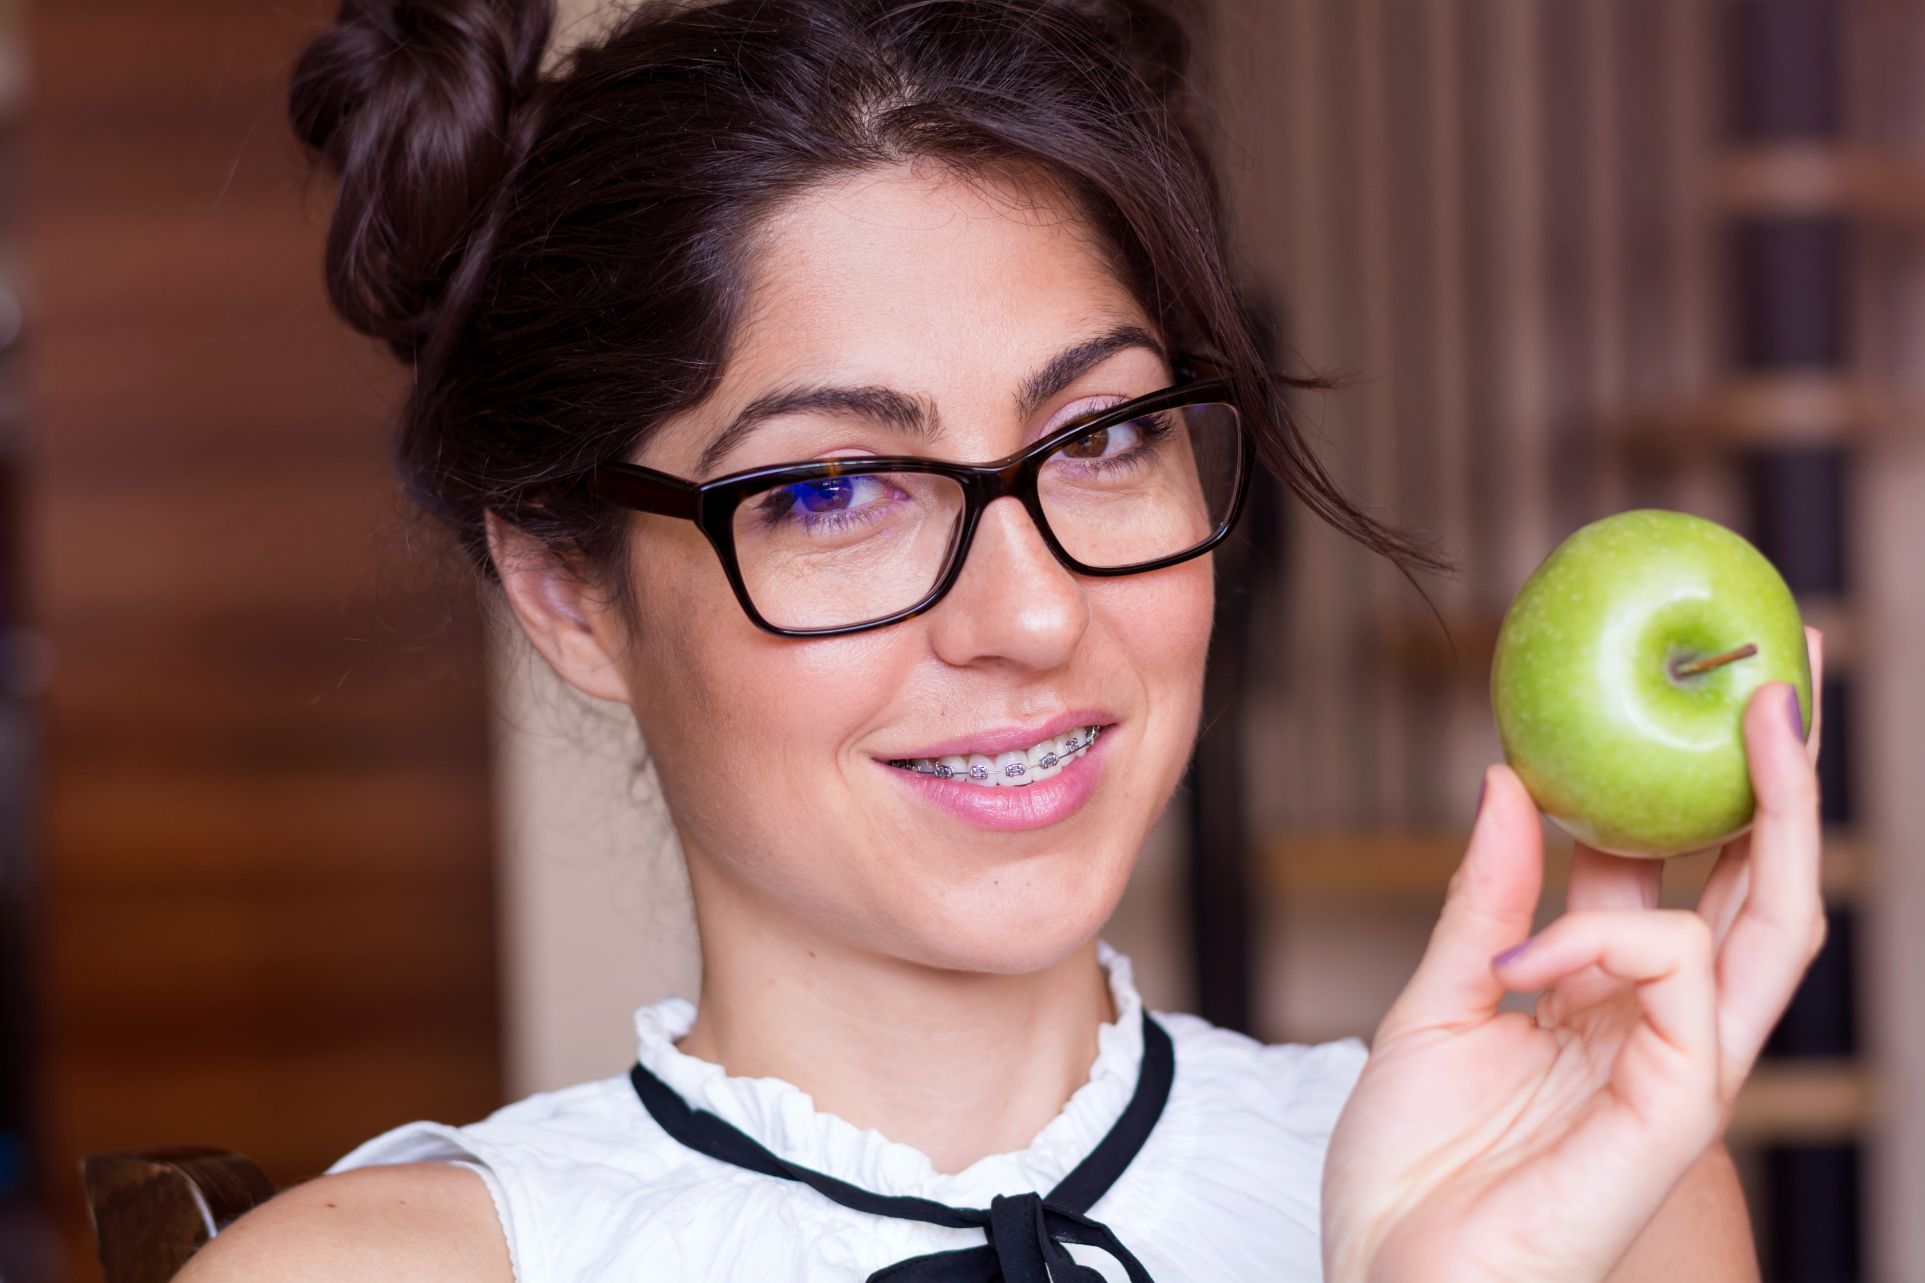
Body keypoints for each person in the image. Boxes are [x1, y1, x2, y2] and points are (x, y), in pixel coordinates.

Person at [180, 0, 1829, 1278]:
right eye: (832, 489)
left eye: (1104, 440)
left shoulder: (1584, 1196)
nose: (1032, 614)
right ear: (567, 592)